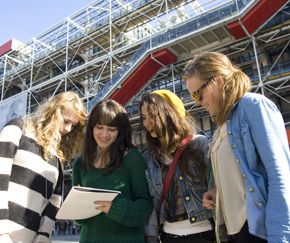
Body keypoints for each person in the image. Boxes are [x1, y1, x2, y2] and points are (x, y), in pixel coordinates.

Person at [183, 51, 290, 243]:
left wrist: (280, 237)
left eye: (198, 93)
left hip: (260, 232)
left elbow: (280, 176)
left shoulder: (253, 106)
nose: (197, 102)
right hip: (237, 233)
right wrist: (219, 193)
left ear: (218, 81)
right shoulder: (224, 123)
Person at [0, 91, 87, 243]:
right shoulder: (18, 129)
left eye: (73, 125)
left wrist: (43, 236)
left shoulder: (57, 159)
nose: (68, 129)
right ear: (53, 111)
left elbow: (53, 203)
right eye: (66, 121)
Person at [72, 99, 153, 243]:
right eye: (99, 127)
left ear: (120, 131)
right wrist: (76, 208)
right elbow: (79, 221)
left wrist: (116, 209)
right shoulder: (80, 164)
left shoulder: (132, 158)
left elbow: (146, 204)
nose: (104, 134)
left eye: (112, 129)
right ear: (92, 128)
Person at [140, 90, 215, 243]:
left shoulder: (201, 145)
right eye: (144, 118)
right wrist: (151, 236)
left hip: (204, 235)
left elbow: (216, 191)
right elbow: (152, 204)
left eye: (152, 116)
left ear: (169, 113)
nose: (146, 123)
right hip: (169, 237)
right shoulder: (148, 157)